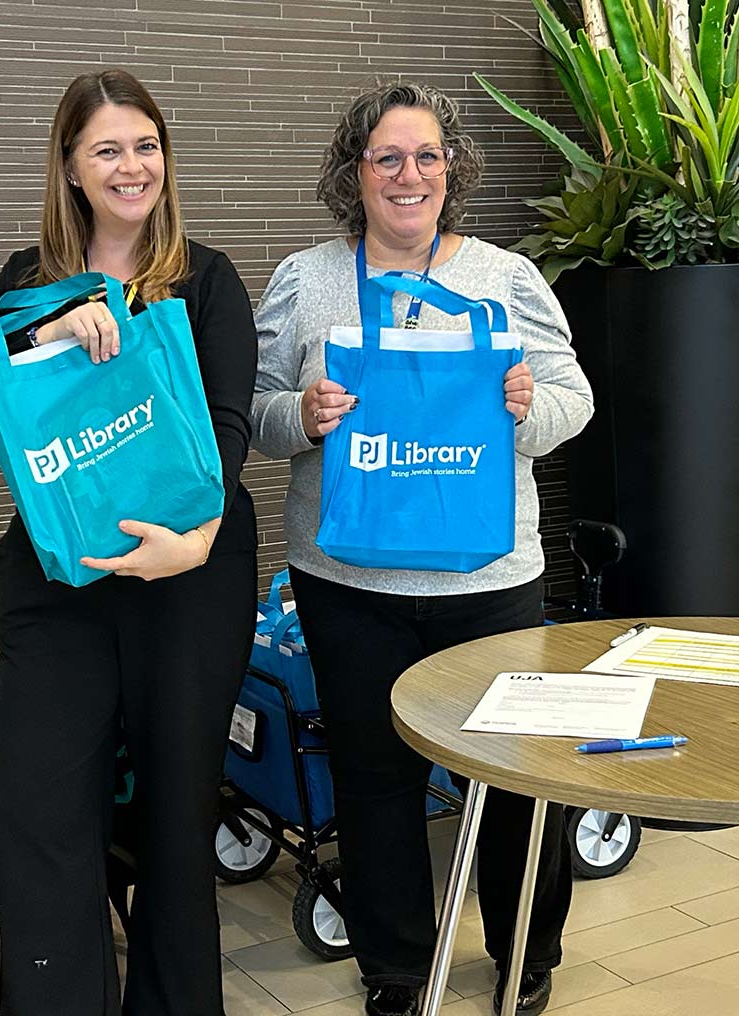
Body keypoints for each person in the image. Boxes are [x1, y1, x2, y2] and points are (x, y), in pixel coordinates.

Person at [251, 81, 594, 1016]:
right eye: (387, 158)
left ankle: (526, 951)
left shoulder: (505, 278)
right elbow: (253, 415)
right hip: (346, 581)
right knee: (374, 783)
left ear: (452, 169)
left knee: (516, 780)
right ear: (354, 173)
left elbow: (574, 400)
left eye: (427, 156)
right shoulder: (307, 280)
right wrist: (303, 414)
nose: (410, 175)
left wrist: (527, 410)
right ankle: (395, 969)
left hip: (491, 581)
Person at [0, 69, 258, 1016]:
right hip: (59, 589)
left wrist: (194, 544)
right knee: (40, 816)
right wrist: (45, 324)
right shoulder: (27, 281)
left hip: (188, 584)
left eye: (146, 145)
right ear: (71, 167)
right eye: (107, 149)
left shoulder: (206, 278)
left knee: (175, 822)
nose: (132, 166)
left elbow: (227, 431)